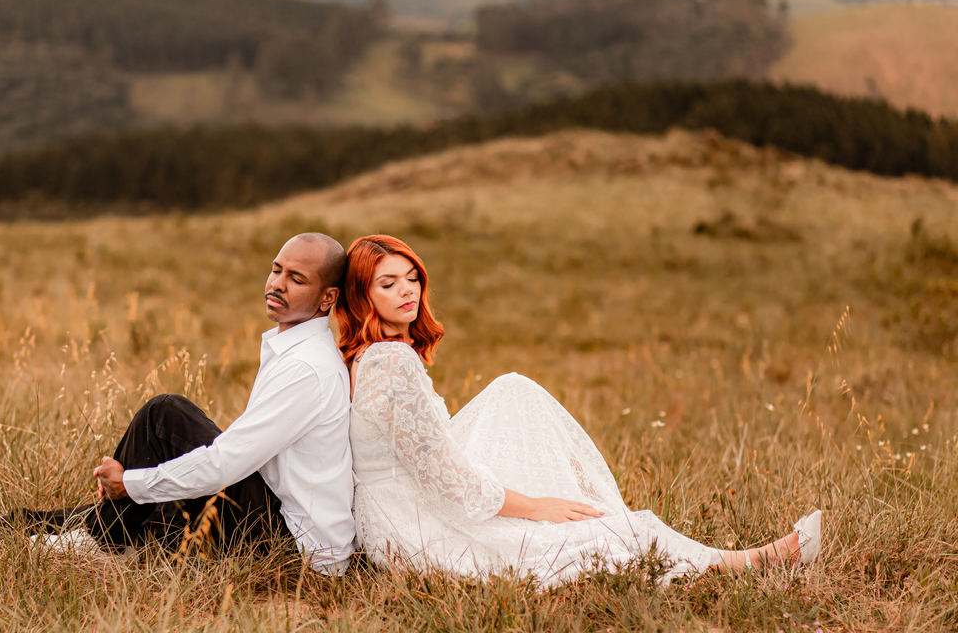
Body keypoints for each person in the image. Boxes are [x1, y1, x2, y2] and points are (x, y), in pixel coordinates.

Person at [335, 235, 821, 586]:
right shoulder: (393, 363)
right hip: (415, 528)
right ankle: (747, 563)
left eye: (412, 278)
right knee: (608, 535)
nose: (408, 291)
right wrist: (534, 507)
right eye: (388, 284)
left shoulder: (364, 357)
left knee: (513, 391)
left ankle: (579, 507)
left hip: (388, 520)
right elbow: (447, 479)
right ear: (361, 297)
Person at [0, 233, 357, 575]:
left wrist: (130, 482)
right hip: (281, 521)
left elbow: (227, 464)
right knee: (160, 488)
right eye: (276, 269)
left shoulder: (306, 369)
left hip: (294, 549)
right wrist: (142, 483)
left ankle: (16, 536)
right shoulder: (299, 351)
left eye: (296, 279)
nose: (277, 283)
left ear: (327, 298)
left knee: (164, 417)